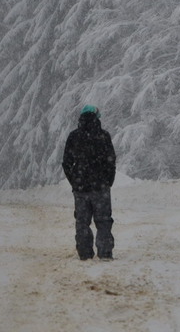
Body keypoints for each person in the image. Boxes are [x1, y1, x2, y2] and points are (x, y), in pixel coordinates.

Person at [62, 105, 116, 261]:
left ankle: (85, 253)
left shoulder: (74, 136)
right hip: (101, 188)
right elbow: (111, 161)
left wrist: (75, 181)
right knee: (104, 220)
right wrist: (108, 181)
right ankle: (105, 252)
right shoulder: (104, 136)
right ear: (97, 117)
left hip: (81, 189)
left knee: (82, 222)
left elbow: (66, 163)